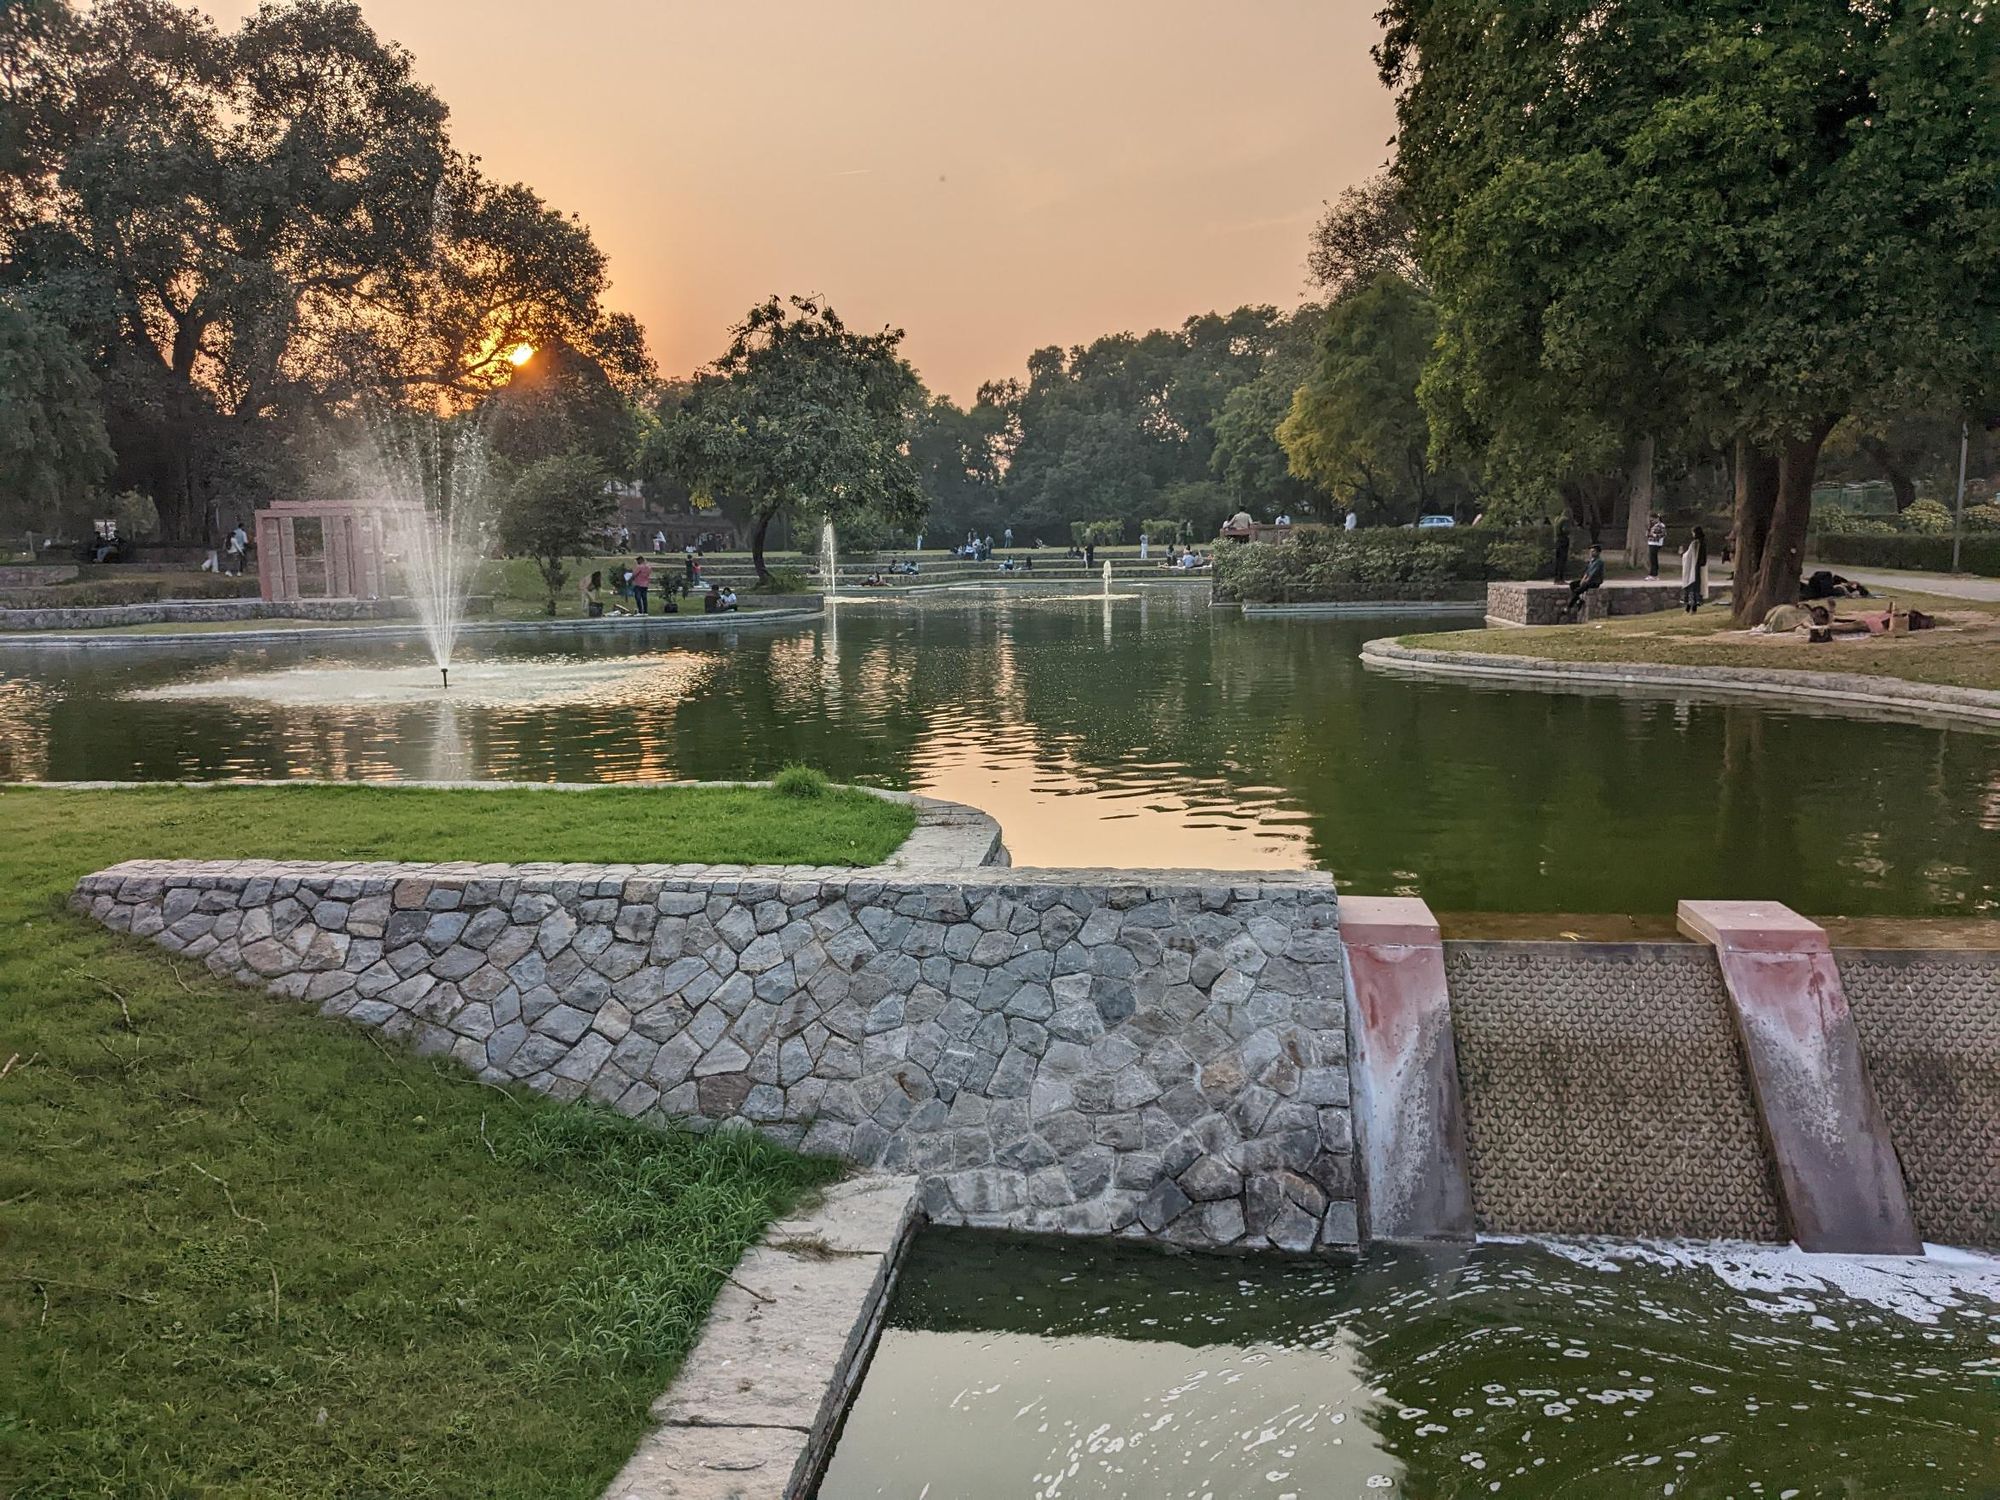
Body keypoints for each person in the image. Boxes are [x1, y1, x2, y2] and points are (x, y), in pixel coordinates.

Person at [1565, 545, 1605, 619]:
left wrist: (1586, 581)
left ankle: (1569, 606)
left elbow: (1593, 573)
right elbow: (1587, 572)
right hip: (1588, 580)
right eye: (1591, 551)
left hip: (1595, 582)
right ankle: (1580, 599)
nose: (1591, 553)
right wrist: (1583, 580)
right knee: (1573, 584)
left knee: (1578, 590)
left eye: (1593, 551)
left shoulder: (1599, 562)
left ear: (1598, 552)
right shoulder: (1591, 561)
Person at [1679, 526, 1708, 613]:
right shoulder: (1703, 542)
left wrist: (1682, 554)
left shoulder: (1695, 543)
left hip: (1693, 568)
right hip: (1700, 568)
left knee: (1691, 587)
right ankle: (1693, 608)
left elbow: (1688, 556)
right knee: (1697, 588)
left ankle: (1689, 608)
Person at [1552, 518, 1572, 582]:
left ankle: (1556, 578)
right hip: (1563, 540)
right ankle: (1560, 578)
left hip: (1557, 541)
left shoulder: (1557, 519)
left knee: (1558, 560)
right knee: (1562, 560)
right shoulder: (1565, 520)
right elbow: (1565, 530)